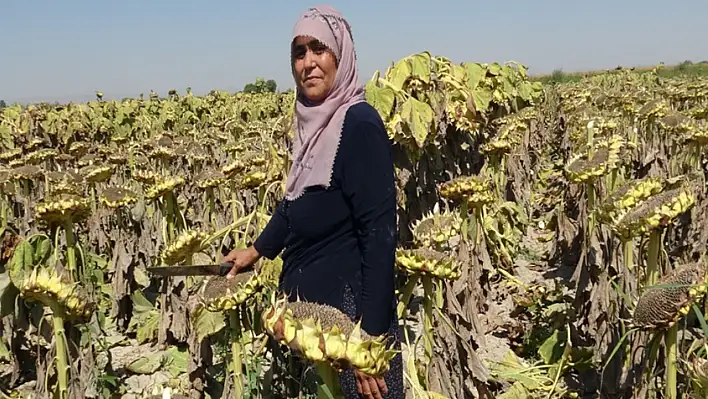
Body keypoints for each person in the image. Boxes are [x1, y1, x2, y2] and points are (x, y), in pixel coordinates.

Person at [223, 5, 403, 399]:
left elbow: (379, 236)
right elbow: (295, 203)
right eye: (299, 53)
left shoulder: (358, 125)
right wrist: (256, 251)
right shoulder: (313, 123)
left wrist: (367, 343)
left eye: (318, 49)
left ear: (340, 54)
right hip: (319, 326)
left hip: (353, 321)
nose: (308, 63)